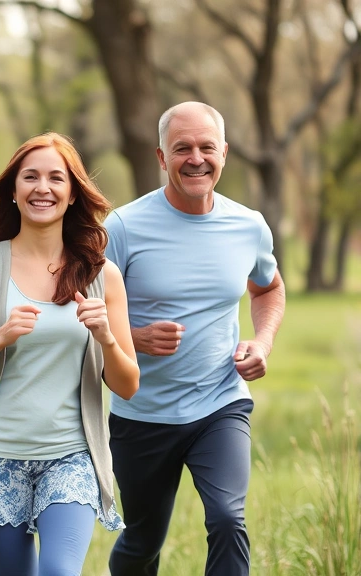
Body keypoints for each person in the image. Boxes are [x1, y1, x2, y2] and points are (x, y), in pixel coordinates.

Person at [0, 132, 139, 575]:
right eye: (31, 177)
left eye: (56, 178)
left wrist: (107, 338)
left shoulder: (102, 275)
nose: (43, 187)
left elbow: (128, 385)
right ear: (14, 190)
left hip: (71, 456)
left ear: (73, 193)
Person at [105, 101, 286, 576]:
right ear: (162, 158)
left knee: (228, 518)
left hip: (219, 403)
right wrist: (134, 337)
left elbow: (268, 287)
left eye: (207, 147)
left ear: (224, 153)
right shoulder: (122, 227)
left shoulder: (248, 225)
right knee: (143, 540)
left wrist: (262, 342)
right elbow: (86, 311)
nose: (196, 158)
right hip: (141, 412)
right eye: (181, 148)